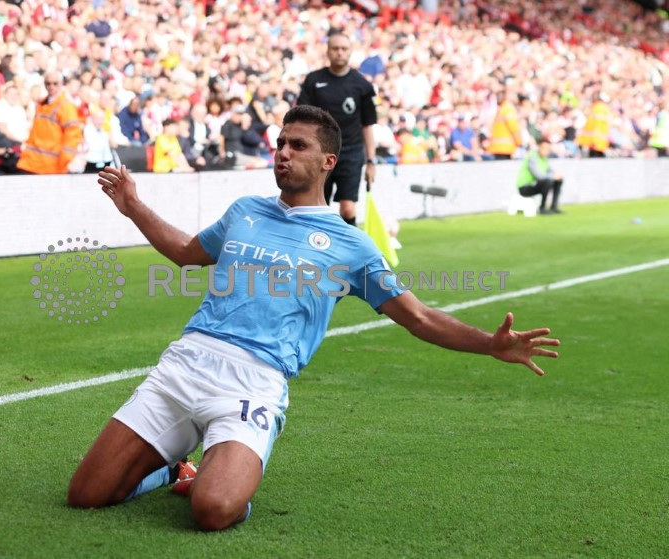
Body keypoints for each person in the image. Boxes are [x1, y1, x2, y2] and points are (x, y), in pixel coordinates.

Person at [67, 105, 560, 531]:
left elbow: (418, 318)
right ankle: (173, 469)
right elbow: (186, 252)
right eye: (279, 143)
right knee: (87, 495)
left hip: (254, 385)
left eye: (296, 145)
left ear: (327, 161)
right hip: (186, 363)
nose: (282, 152)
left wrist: (489, 344)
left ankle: (214, 475)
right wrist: (133, 206)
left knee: (213, 511)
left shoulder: (351, 246)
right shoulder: (245, 211)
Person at [297, 32, 379, 226]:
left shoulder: (362, 85)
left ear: (350, 52)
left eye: (344, 49)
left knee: (348, 207)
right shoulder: (313, 80)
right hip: (320, 153)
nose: (339, 53)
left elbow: (367, 125)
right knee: (318, 206)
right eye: (335, 48)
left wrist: (371, 160)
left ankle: (348, 249)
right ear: (328, 51)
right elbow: (301, 118)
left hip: (351, 152)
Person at [16, 72, 83, 174]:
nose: (51, 86)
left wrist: (64, 162)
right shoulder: (42, 103)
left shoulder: (66, 106)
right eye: (48, 83)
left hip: (51, 165)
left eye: (55, 83)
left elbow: (73, 135)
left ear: (61, 84)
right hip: (31, 162)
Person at [516, 139, 563, 214]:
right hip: (525, 187)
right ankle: (542, 208)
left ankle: (554, 207)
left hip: (535, 185)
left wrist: (556, 175)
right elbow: (539, 176)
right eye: (545, 148)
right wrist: (553, 176)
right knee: (548, 181)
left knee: (558, 180)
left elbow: (550, 171)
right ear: (539, 147)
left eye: (548, 149)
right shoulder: (532, 157)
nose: (547, 151)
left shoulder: (544, 158)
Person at [488, 89, 522, 160]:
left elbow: (513, 127)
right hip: (503, 148)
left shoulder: (505, 109)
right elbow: (513, 128)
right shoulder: (506, 109)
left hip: (501, 148)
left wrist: (518, 142)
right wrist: (519, 142)